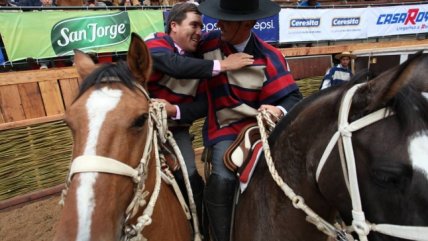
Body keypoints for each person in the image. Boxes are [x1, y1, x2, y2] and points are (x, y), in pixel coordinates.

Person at [144, 2, 253, 239]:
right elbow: (172, 65)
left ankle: (200, 230)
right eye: (193, 24)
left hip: (176, 130)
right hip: (140, 127)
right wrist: (223, 65)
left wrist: (175, 111)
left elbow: (203, 105)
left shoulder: (201, 61)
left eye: (202, 26)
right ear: (173, 26)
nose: (199, 31)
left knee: (190, 175)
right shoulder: (156, 42)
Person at [196, 0, 303, 240]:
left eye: (227, 20)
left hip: (261, 129)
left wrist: (278, 111)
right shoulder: (208, 43)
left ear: (249, 24)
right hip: (224, 130)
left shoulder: (269, 55)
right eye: (220, 17)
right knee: (222, 180)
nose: (219, 23)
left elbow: (294, 98)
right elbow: (177, 56)